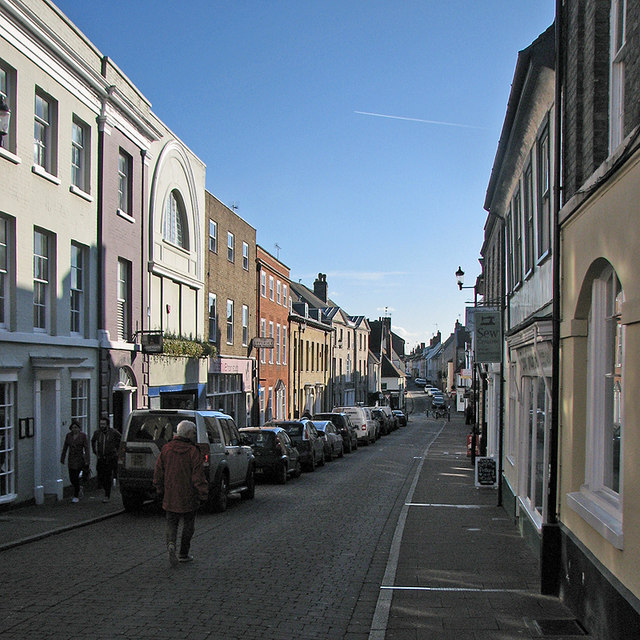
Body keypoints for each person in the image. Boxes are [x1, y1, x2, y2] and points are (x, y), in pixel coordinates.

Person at [153, 420, 208, 566]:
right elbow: (198, 475)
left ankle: (171, 544)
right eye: (194, 432)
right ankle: (183, 553)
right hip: (188, 493)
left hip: (170, 493)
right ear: (188, 434)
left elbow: (158, 470)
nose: (195, 435)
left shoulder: (166, 449)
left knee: (172, 522)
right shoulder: (192, 451)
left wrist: (159, 488)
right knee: (188, 524)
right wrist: (202, 493)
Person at [91, 417, 121, 503]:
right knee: (100, 474)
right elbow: (93, 441)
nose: (102, 426)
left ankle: (107, 494)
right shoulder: (97, 433)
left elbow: (121, 439)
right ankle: (105, 486)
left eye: (103, 424)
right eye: (101, 424)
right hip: (101, 457)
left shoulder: (113, 432)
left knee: (107, 475)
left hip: (110, 457)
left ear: (107, 424)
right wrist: (94, 451)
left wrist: (117, 450)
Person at [60, 420, 90, 503]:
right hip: (71, 459)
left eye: (76, 427)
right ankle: (79, 488)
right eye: (73, 428)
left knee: (76, 476)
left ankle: (76, 495)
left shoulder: (83, 436)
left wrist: (87, 460)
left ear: (79, 428)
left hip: (80, 459)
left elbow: (86, 448)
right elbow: (65, 447)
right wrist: (62, 457)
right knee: (72, 478)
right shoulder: (68, 436)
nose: (74, 429)